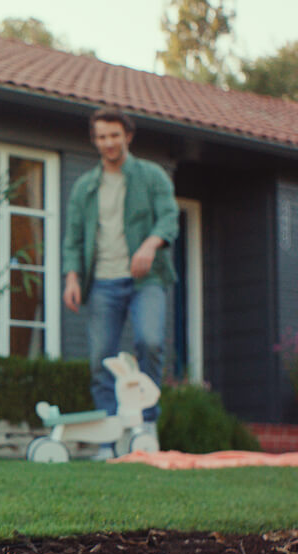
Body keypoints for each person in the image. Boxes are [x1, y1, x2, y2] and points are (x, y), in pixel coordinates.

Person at [62, 109, 179, 459]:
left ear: (127, 136)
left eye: (113, 135)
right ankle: (107, 440)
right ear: (94, 140)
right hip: (102, 282)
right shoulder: (85, 186)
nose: (107, 143)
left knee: (150, 341)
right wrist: (72, 277)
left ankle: (146, 427)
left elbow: (169, 217)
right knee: (101, 359)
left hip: (148, 279)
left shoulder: (151, 176)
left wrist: (149, 244)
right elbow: (73, 239)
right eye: (100, 137)